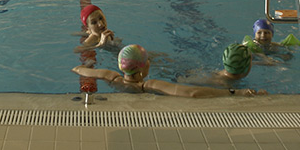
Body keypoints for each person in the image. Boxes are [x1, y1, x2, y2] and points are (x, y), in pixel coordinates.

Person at [72, 45, 261, 97]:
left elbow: (79, 70)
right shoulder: (150, 85)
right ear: (145, 68)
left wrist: (83, 67)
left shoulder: (111, 77)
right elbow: (193, 93)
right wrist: (235, 92)